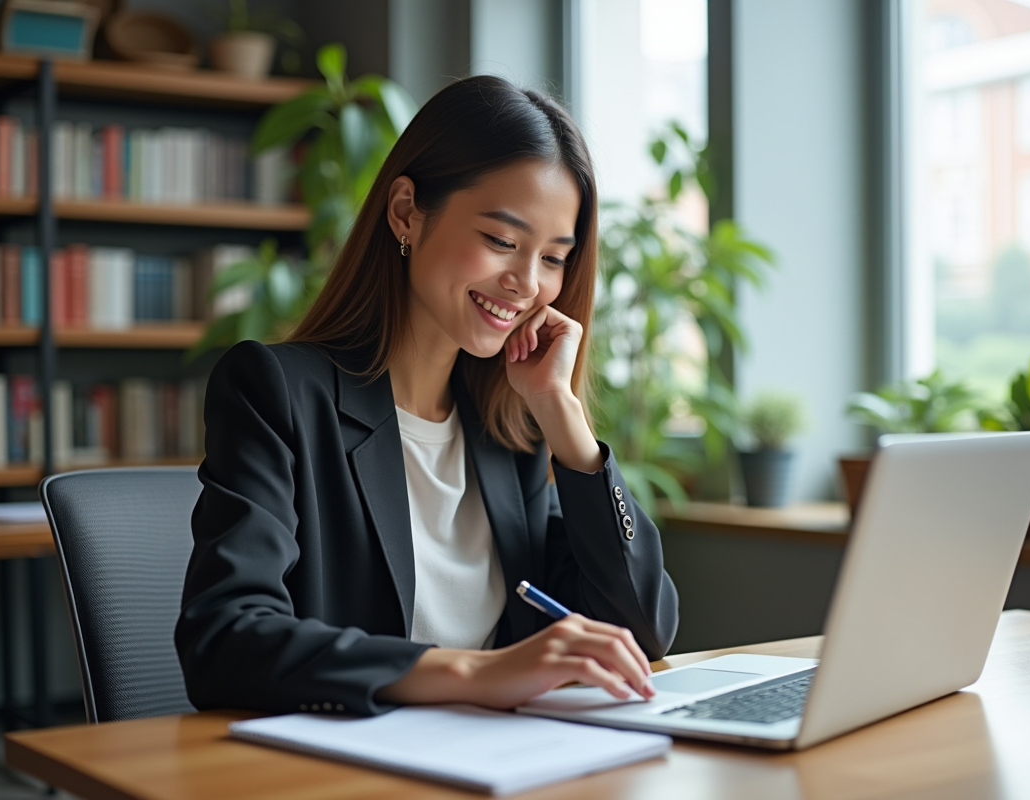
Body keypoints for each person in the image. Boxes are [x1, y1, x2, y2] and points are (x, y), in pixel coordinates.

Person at [176, 75, 679, 716]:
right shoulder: (277, 392)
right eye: (501, 240)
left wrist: (564, 417)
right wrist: (474, 672)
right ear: (407, 211)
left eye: (553, 258)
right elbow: (224, 641)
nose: (526, 283)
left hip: (499, 767)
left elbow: (641, 629)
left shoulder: (507, 432)